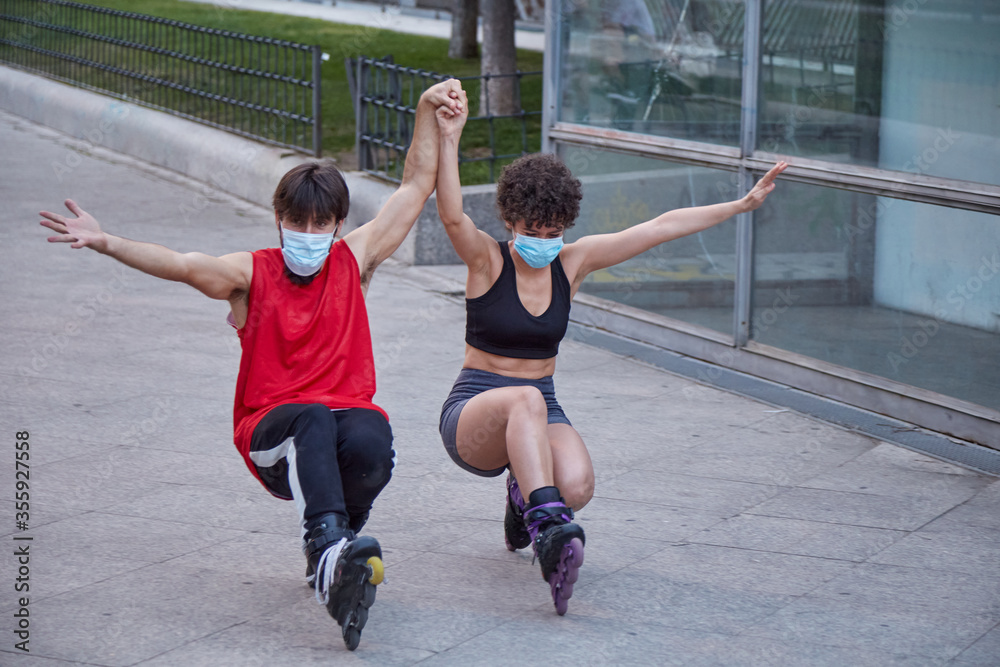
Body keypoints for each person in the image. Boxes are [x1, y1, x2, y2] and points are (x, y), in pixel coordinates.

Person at [38, 78, 465, 651]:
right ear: (278, 218)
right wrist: (107, 241)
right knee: (311, 415)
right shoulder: (250, 274)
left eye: (322, 225)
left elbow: (416, 183)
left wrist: (425, 111)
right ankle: (326, 548)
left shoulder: (353, 259)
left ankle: (343, 537)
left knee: (372, 433)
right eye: (298, 223)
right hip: (271, 433)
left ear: (338, 223)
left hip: (337, 429)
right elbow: (184, 264)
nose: (310, 235)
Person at [434, 92, 787, 615]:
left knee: (575, 483)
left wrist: (740, 205)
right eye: (533, 231)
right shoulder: (486, 260)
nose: (544, 241)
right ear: (511, 220)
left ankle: (524, 498)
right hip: (477, 410)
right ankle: (548, 528)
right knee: (524, 403)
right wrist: (450, 136)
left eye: (554, 233)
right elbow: (450, 212)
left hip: (541, 403)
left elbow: (658, 228)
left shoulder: (571, 263)